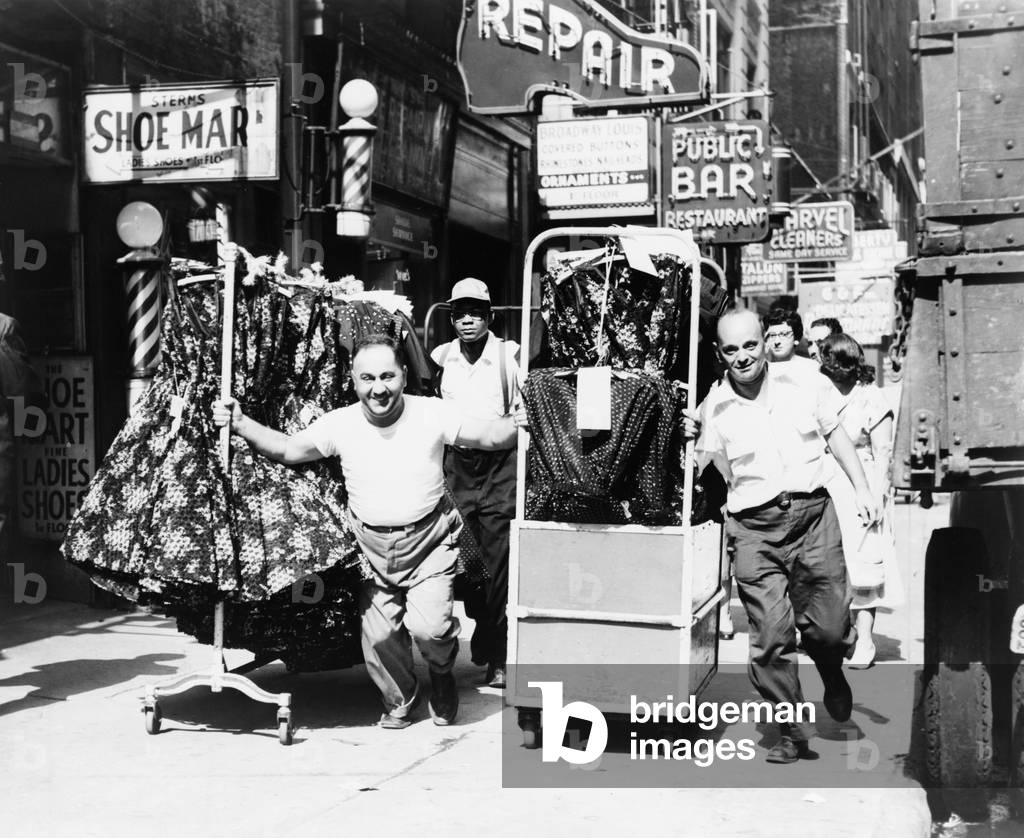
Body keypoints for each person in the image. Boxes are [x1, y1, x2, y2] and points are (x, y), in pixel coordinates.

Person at [213, 334, 521, 729]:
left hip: (430, 540)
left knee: (430, 629)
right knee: (378, 639)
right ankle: (402, 699)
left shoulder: (432, 413)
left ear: (404, 375)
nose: (379, 388)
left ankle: (442, 677)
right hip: (371, 548)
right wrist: (240, 423)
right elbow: (290, 450)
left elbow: (489, 436)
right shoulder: (339, 423)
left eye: (388, 376)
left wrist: (519, 421)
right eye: (368, 378)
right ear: (355, 380)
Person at [682, 310, 880, 764]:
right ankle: (791, 727)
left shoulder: (806, 381)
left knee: (829, 628)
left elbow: (835, 435)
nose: (742, 356)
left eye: (750, 345)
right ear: (719, 354)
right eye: (731, 350)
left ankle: (831, 670)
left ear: (763, 344)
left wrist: (863, 488)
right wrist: (687, 437)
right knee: (771, 636)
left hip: (813, 517)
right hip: (754, 529)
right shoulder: (713, 408)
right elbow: (698, 469)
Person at [430, 278, 519, 690]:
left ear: (490, 316)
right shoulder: (439, 357)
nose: (467, 320)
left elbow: (525, 414)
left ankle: (498, 655)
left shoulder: (510, 357)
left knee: (499, 559)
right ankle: (482, 635)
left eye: (476, 312)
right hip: (456, 468)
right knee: (466, 562)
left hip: (500, 466)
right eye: (460, 313)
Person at [818, 333, 903, 669]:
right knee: (828, 565)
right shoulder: (819, 391)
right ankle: (839, 636)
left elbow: (882, 450)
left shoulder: (870, 396)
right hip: (823, 480)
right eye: (828, 360)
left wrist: (878, 494)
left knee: (864, 563)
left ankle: (865, 640)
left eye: (839, 361)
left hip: (860, 483)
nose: (834, 369)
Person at [763, 307, 819, 374]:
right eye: (772, 335)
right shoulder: (763, 370)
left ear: (796, 339)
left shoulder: (811, 368)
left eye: (783, 334)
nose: (776, 342)